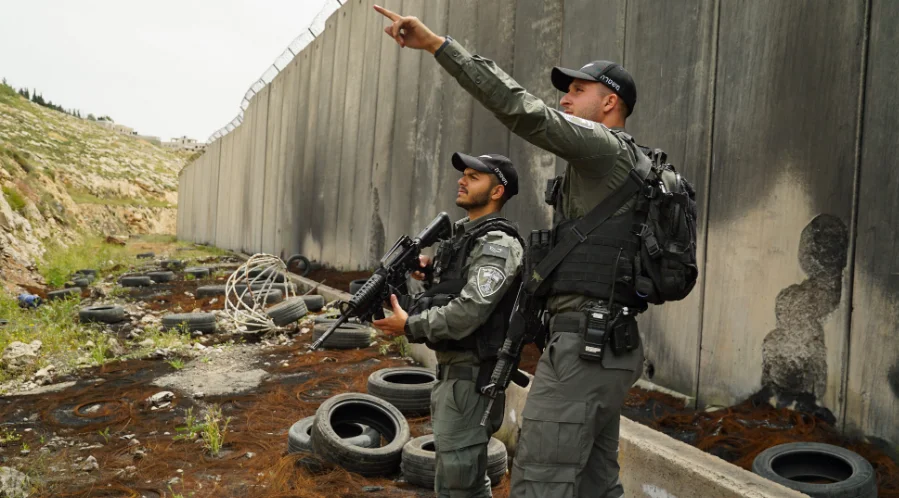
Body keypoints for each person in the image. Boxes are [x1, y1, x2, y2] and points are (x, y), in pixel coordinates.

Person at [374, 5, 647, 497]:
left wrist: (438, 45)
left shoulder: (604, 148)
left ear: (610, 103)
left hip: (587, 346)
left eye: (577, 90)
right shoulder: (613, 166)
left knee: (538, 480)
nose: (564, 98)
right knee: (595, 484)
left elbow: (522, 109)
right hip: (606, 344)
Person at [374, 152, 524, 498]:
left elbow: (469, 311)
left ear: (497, 191)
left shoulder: (498, 244)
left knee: (460, 484)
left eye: (474, 177)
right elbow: (457, 295)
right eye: (464, 174)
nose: (462, 180)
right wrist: (430, 276)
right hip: (453, 376)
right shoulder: (468, 239)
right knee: (460, 480)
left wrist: (411, 325)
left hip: (472, 379)